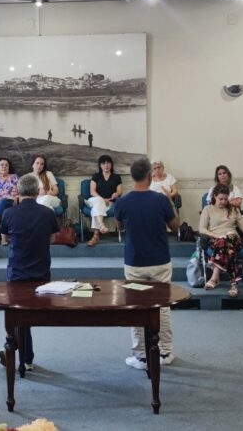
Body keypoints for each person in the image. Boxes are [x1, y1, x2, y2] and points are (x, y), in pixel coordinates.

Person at [115, 158, 179, 369]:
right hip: (160, 260)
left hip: (135, 261)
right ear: (150, 176)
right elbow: (176, 226)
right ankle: (165, 352)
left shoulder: (122, 202)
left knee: (136, 306)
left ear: (132, 177)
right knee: (162, 307)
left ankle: (141, 356)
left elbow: (119, 227)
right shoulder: (161, 200)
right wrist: (171, 203)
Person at [0, 173, 59, 372]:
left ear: (19, 191)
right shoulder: (48, 213)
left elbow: (4, 240)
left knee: (18, 316)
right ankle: (25, 357)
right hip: (41, 274)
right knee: (23, 318)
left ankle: (14, 350)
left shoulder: (9, 213)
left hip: (17, 274)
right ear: (37, 191)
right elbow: (52, 240)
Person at [198, 184, 243, 297]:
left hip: (233, 237)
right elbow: (202, 229)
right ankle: (234, 284)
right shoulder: (208, 209)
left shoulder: (234, 209)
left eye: (226, 199)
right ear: (214, 196)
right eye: (221, 199)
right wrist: (216, 235)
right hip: (216, 239)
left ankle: (214, 277)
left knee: (226, 240)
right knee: (228, 248)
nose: (224, 202)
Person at [86, 155, 123, 247]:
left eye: (108, 163)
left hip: (109, 202)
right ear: (100, 165)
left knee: (96, 209)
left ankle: (96, 236)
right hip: (94, 200)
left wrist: (116, 194)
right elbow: (92, 192)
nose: (106, 165)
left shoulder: (116, 177)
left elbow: (119, 191)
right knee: (98, 202)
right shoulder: (96, 176)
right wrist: (102, 199)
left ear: (111, 164)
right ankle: (101, 225)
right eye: (103, 163)